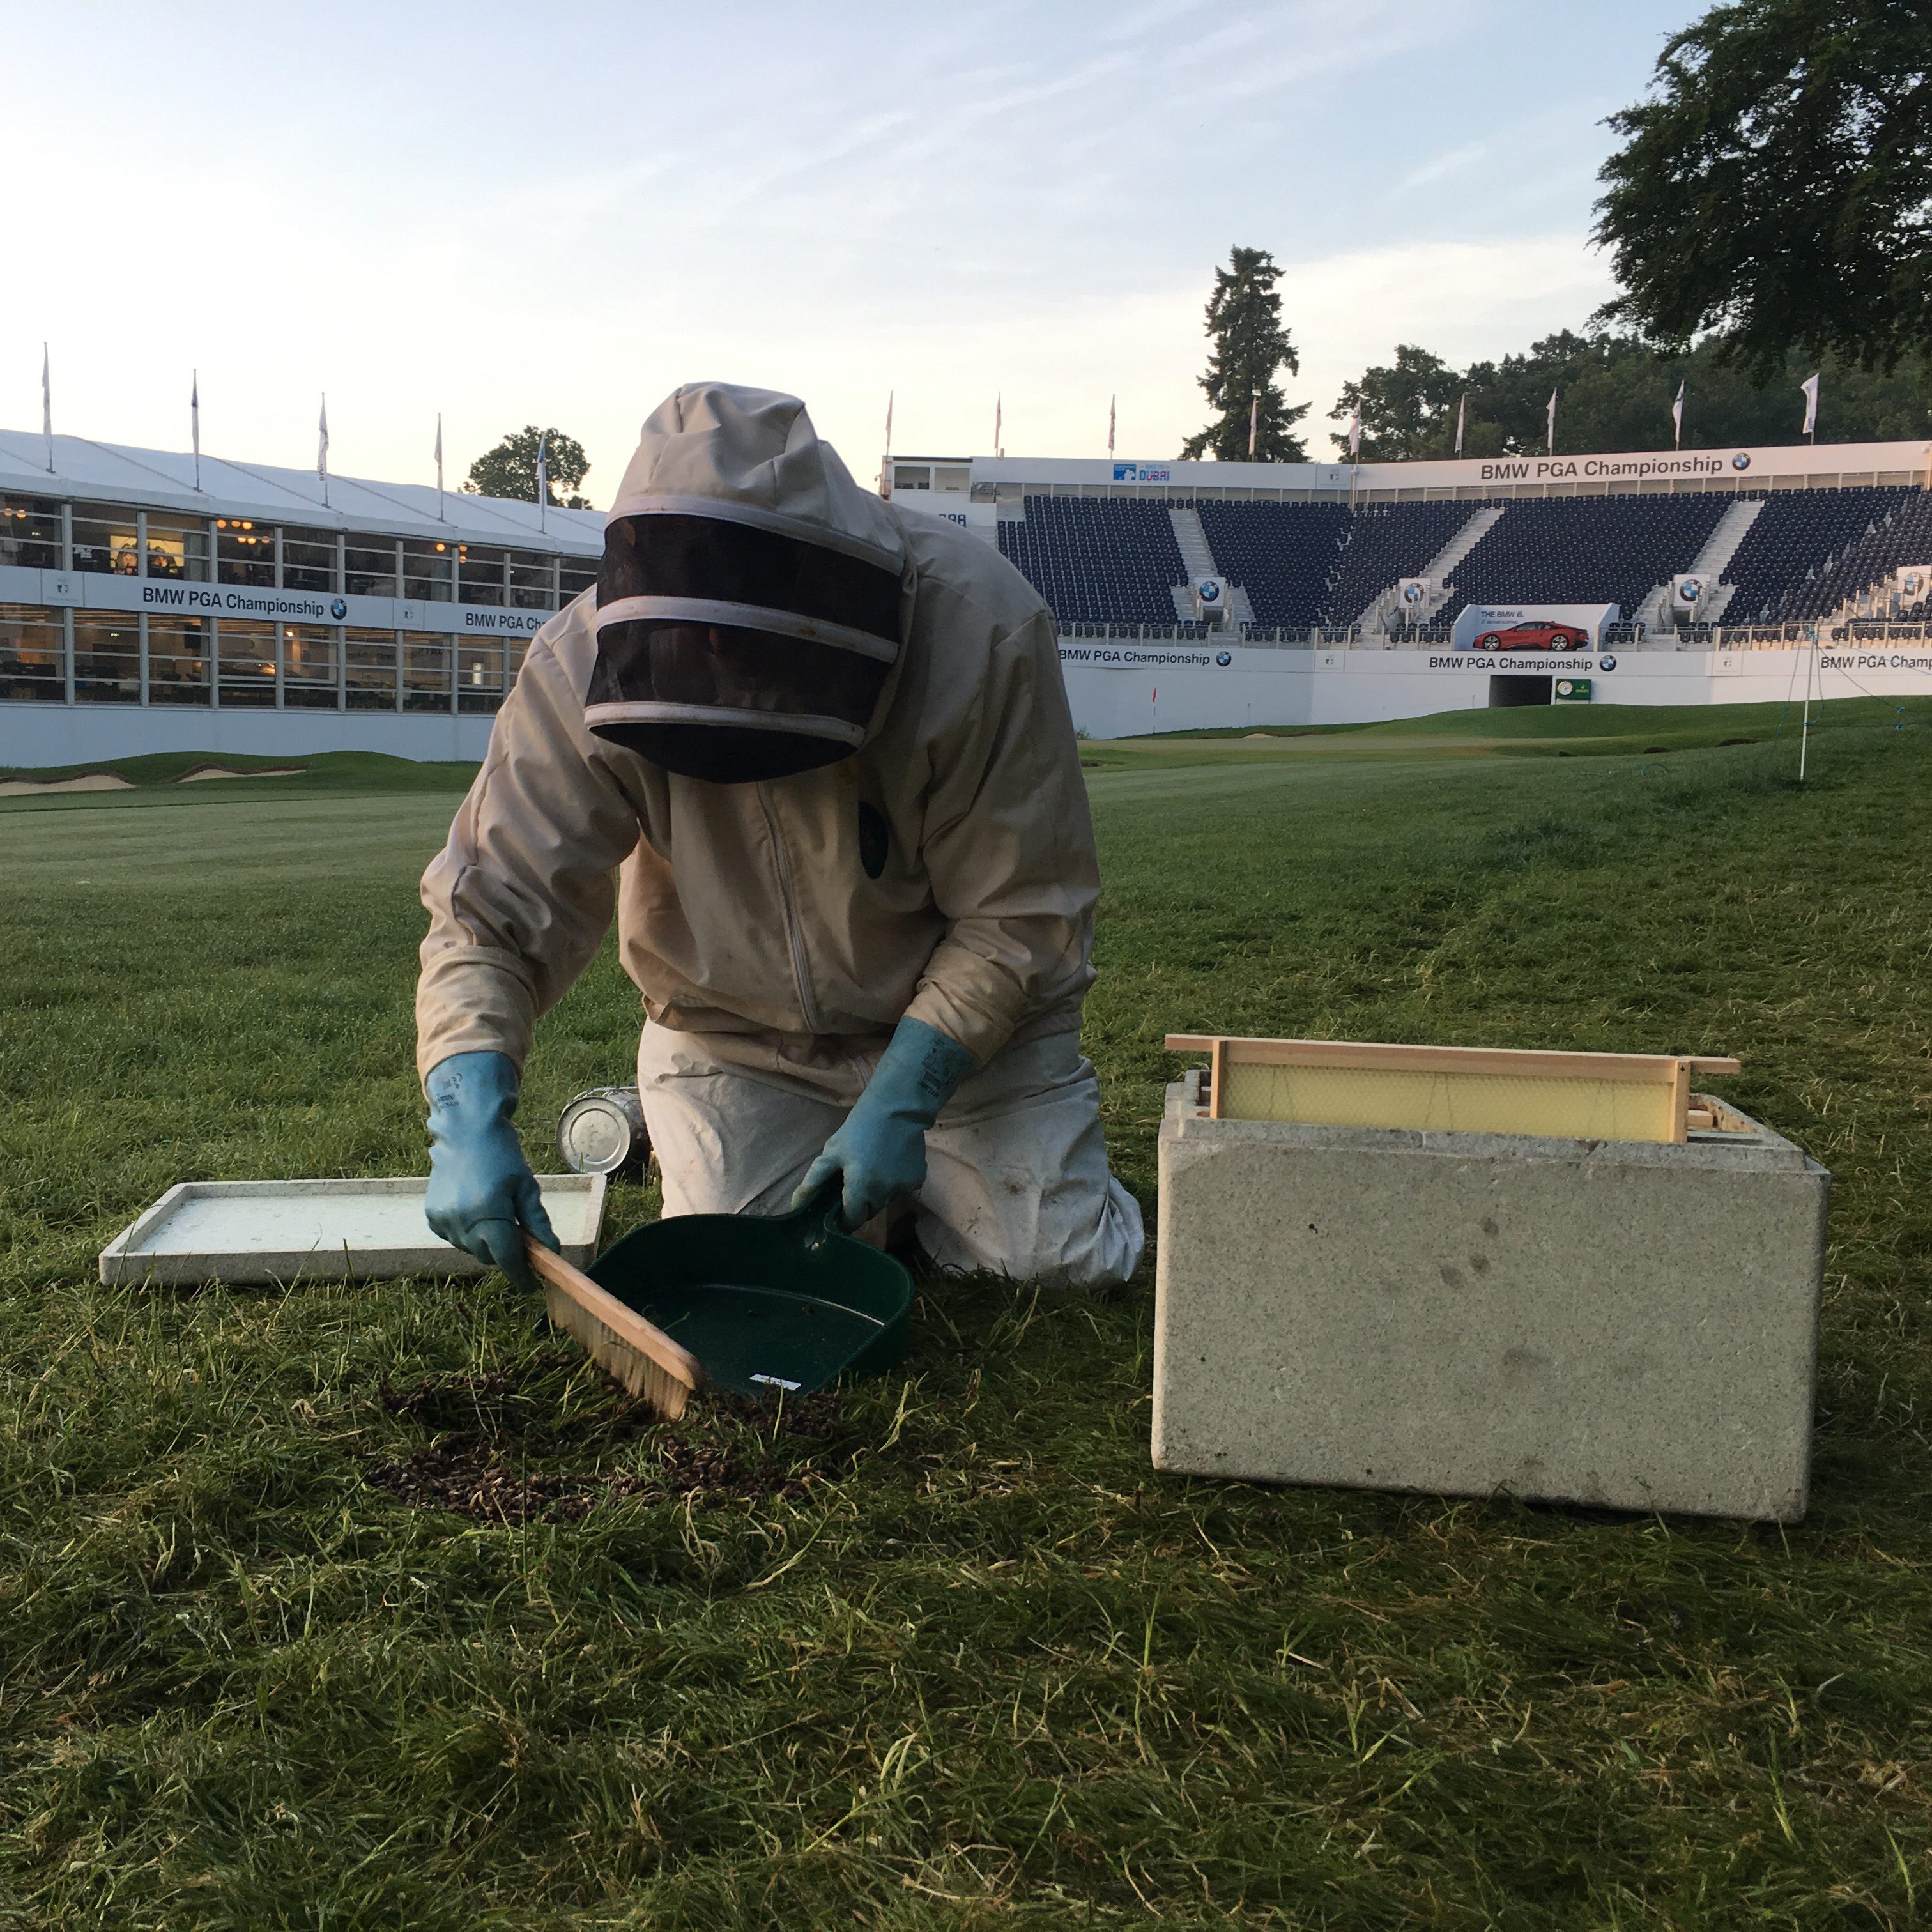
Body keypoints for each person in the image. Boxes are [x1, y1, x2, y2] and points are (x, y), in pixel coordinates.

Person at [417, 381, 1142, 1292]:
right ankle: (735, 1142)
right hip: (737, 1040)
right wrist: (466, 1115)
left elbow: (1021, 913)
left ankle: (977, 1173)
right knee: (750, 1272)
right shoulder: (577, 667)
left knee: (1050, 1262)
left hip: (975, 1045)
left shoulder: (982, 625)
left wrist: (904, 1097)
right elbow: (491, 907)